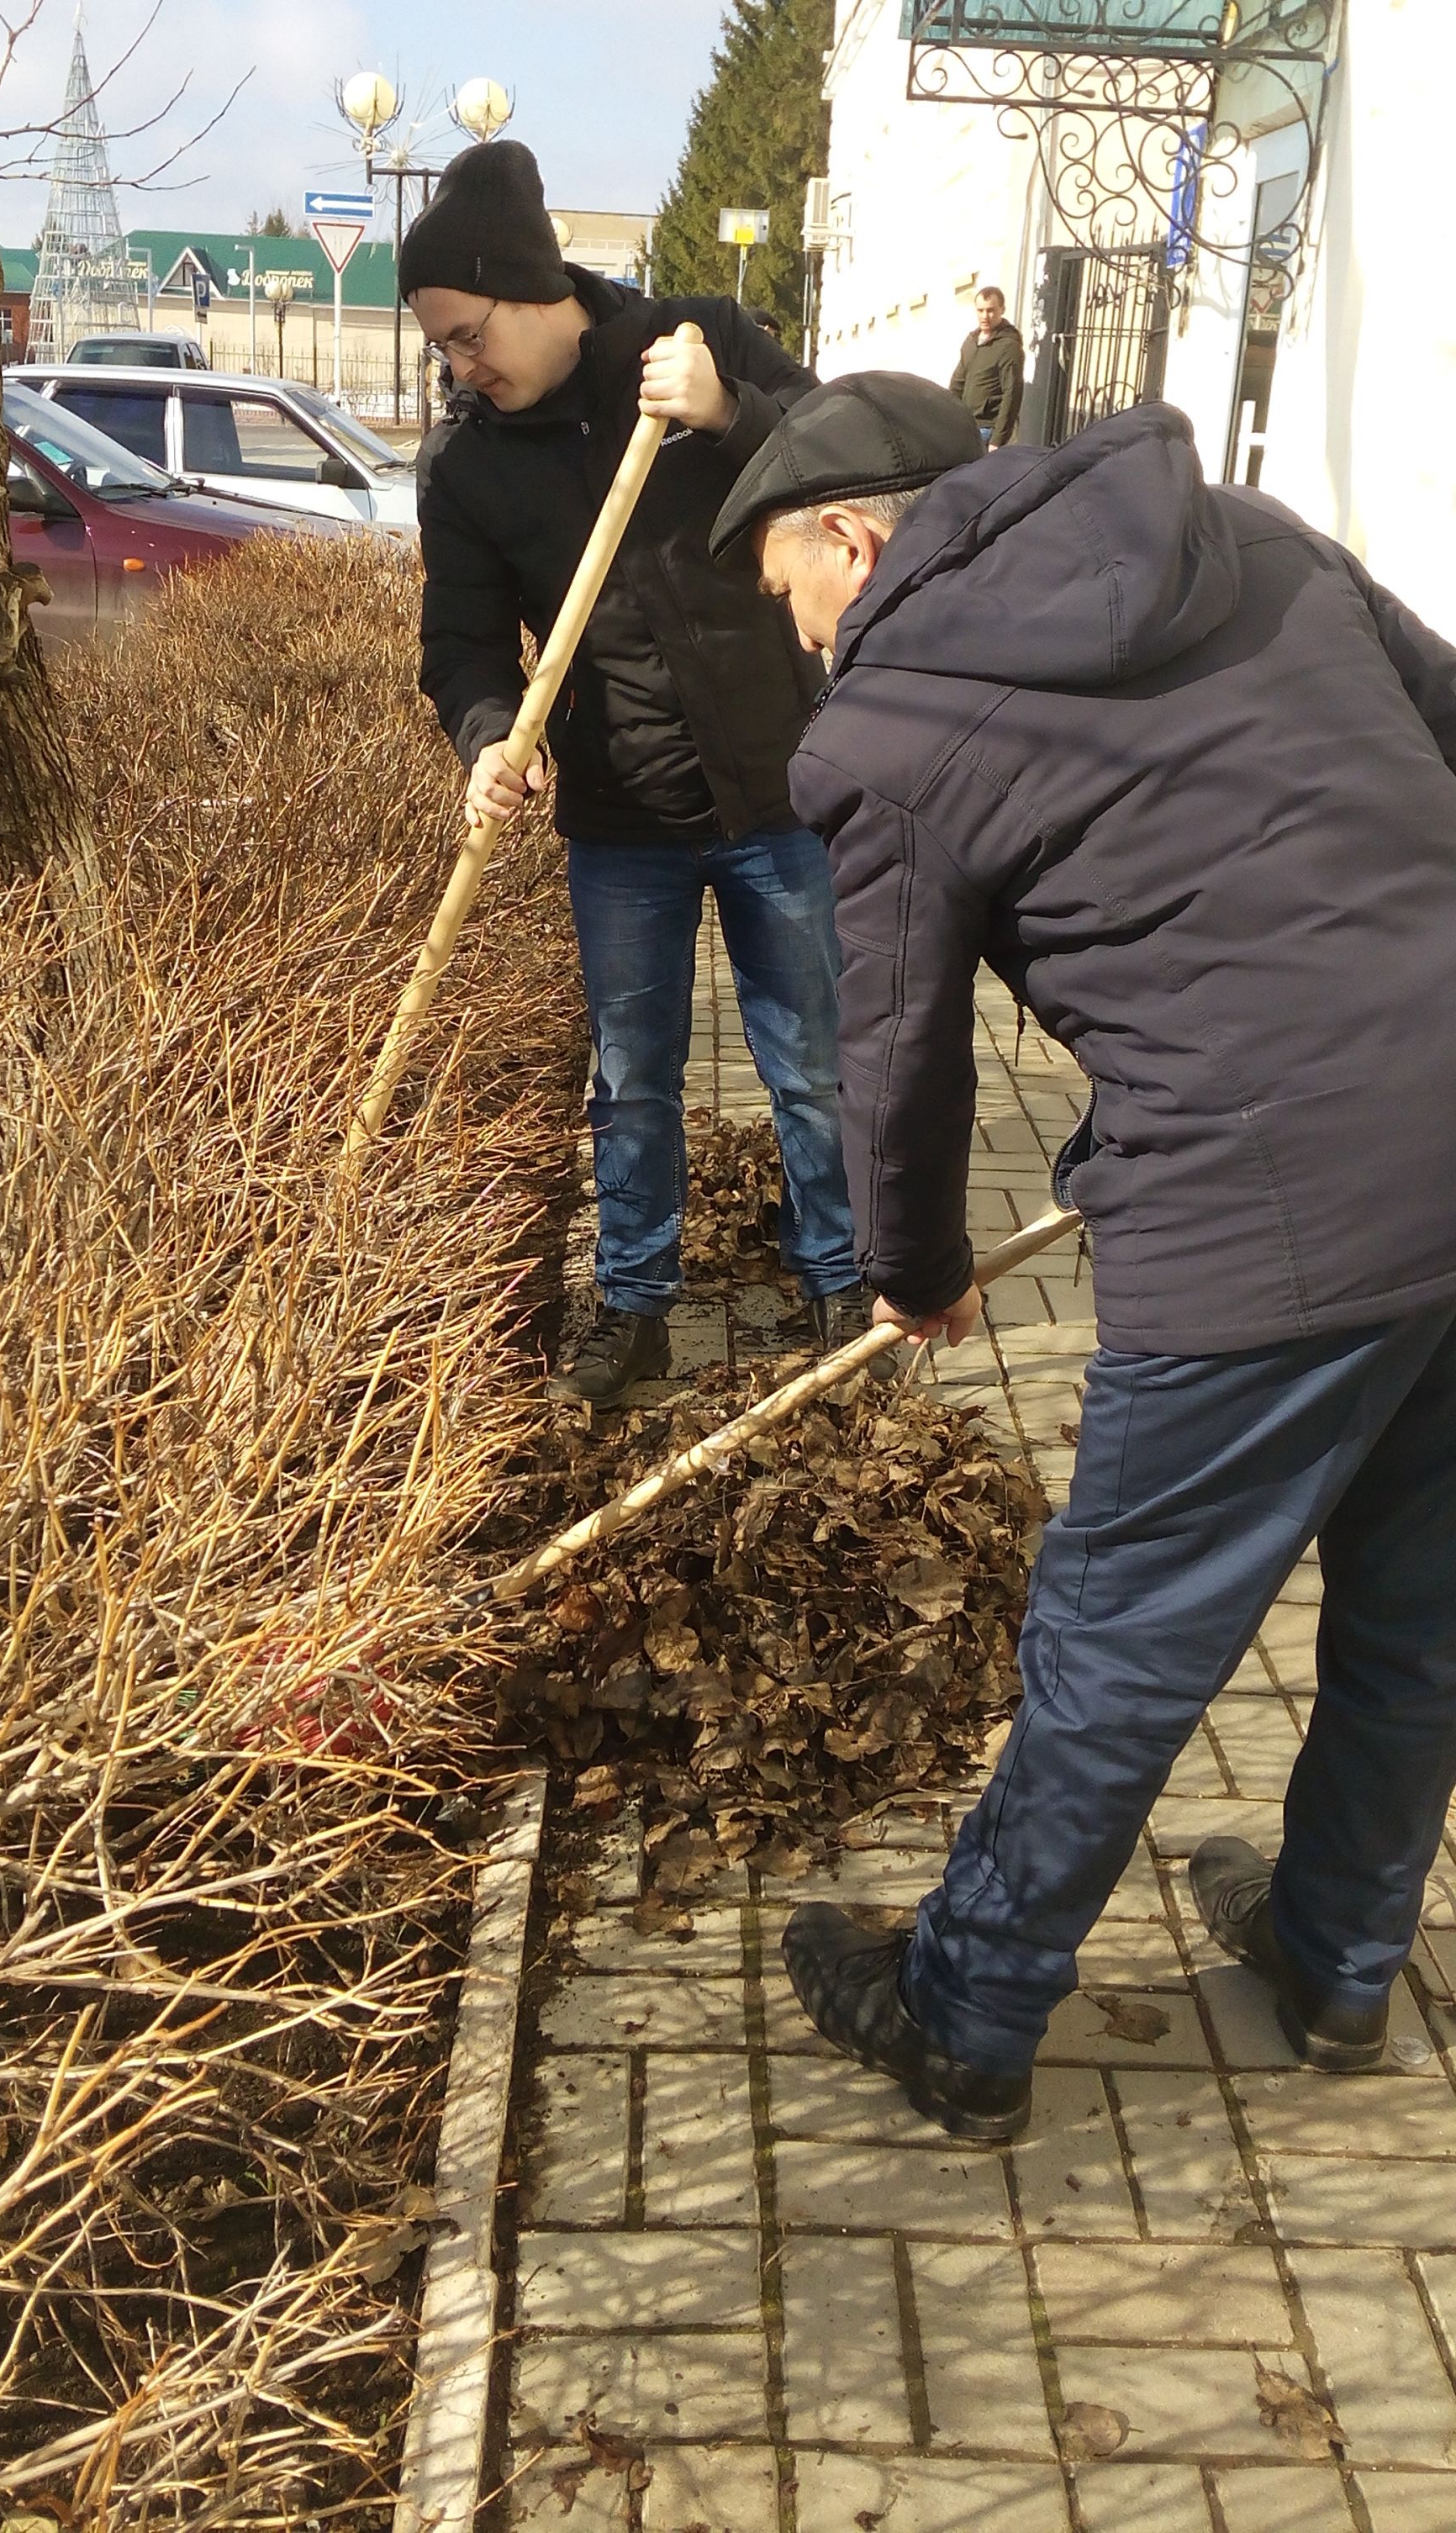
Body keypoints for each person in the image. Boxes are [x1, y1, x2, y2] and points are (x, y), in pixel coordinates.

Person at [708, 368, 1456, 2145]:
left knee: (1121, 1636)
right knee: (1420, 1608)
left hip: (1267, 1205)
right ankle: (1339, 1955)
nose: (806, 637)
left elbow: (892, 1054)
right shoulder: (1254, 538)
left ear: (854, 532)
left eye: (792, 596)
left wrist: (914, 1267)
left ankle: (967, 2008)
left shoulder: (893, 727)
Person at [403, 138, 866, 1407]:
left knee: (813, 1060)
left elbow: (846, 471)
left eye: (465, 332)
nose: (459, 364)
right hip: (620, 818)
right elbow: (458, 642)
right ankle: (636, 1298)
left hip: (777, 789)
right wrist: (491, 732)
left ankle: (837, 1275)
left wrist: (729, 412)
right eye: (442, 345)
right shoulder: (469, 465)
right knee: (631, 1080)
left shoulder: (695, 341)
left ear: (528, 286)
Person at [949, 283, 1023, 449]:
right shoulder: (971, 341)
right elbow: (957, 384)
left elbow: (1012, 393)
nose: (985, 316)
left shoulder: (1009, 345)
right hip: (965, 424)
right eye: (980, 310)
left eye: (991, 310)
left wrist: (998, 439)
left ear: (1002, 310)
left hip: (987, 428)